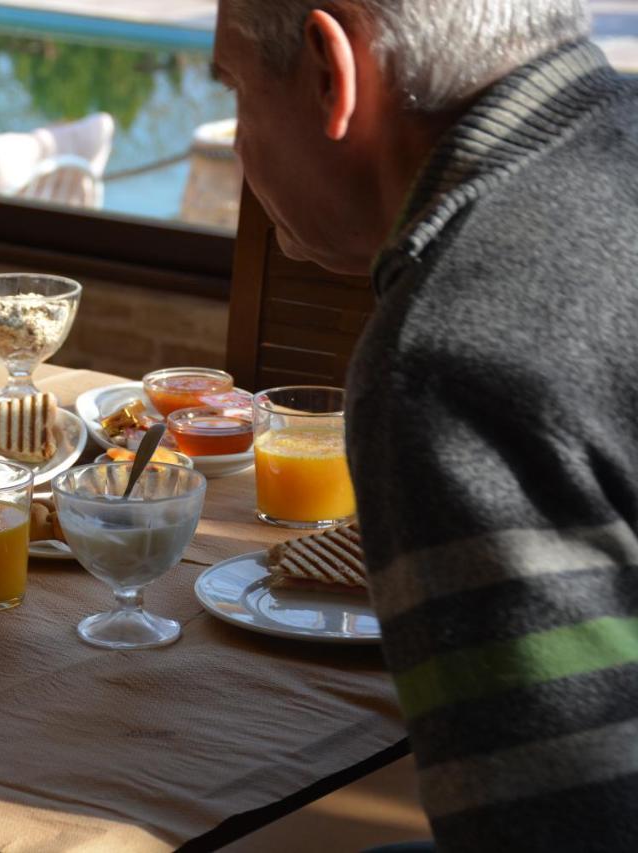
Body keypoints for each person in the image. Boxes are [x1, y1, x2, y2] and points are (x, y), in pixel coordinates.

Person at [213, 0, 638, 849]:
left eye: (239, 93)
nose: (237, 141)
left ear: (333, 74)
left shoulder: (452, 359)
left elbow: (553, 830)